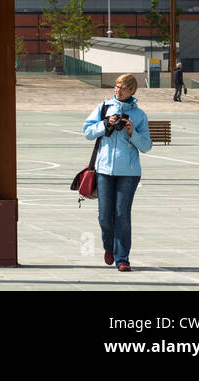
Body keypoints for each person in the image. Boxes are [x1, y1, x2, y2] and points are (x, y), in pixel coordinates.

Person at [83, 73, 153, 272]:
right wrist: (106, 124)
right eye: (117, 86)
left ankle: (122, 258)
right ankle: (109, 247)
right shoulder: (104, 107)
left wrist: (132, 132)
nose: (118, 90)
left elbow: (147, 146)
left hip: (129, 173)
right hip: (104, 169)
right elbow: (87, 132)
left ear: (132, 91)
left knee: (122, 214)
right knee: (105, 216)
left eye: (123, 88)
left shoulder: (139, 115)